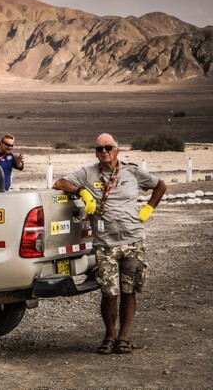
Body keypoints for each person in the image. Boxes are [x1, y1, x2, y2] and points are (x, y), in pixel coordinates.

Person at [52, 133, 166, 355]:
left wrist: (149, 209)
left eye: (108, 147)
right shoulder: (88, 172)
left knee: (129, 290)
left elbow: (160, 185)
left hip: (133, 240)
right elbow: (59, 183)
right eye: (99, 149)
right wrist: (81, 190)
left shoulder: (132, 171)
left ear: (117, 150)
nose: (103, 152)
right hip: (105, 245)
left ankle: (123, 337)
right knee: (109, 293)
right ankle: (109, 336)